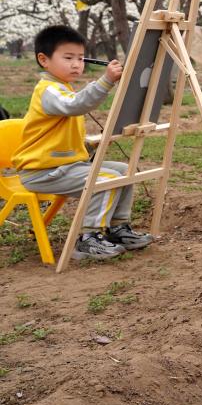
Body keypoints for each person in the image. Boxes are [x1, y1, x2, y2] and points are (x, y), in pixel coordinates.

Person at [13, 25, 153, 260]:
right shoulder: (48, 90)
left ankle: (118, 228)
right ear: (43, 60)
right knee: (107, 179)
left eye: (80, 58)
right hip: (41, 172)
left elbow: (59, 135)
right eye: (68, 58)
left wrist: (87, 144)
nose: (77, 64)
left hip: (63, 167)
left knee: (124, 170)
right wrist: (106, 81)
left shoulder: (62, 88)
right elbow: (75, 104)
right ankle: (88, 238)